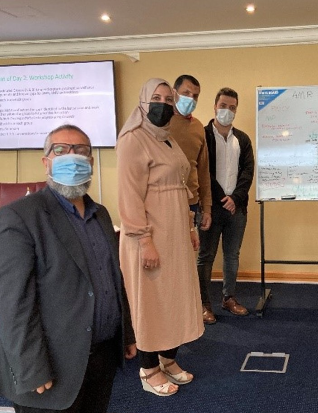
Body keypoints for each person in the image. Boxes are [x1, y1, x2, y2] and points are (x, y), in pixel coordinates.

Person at [0, 124, 137, 413]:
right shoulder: (17, 217)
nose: (72, 156)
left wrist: (126, 333)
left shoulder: (100, 214)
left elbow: (113, 279)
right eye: (61, 150)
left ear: (91, 162)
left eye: (81, 151)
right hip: (49, 366)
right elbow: (12, 303)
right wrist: (31, 366)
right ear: (46, 162)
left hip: (100, 357)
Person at [116, 78, 204, 397]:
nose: (163, 104)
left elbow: (181, 186)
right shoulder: (132, 140)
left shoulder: (167, 139)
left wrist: (189, 228)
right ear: (142, 102)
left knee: (174, 297)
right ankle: (148, 368)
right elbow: (129, 197)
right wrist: (144, 241)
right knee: (151, 302)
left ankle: (168, 359)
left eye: (169, 99)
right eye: (156, 97)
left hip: (175, 234)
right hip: (148, 238)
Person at [197, 87, 255, 324]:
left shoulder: (242, 139)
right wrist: (223, 198)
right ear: (214, 106)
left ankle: (228, 298)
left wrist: (236, 199)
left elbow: (248, 171)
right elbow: (202, 172)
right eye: (223, 106)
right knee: (205, 256)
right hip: (210, 208)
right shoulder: (202, 136)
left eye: (232, 108)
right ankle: (203, 304)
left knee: (232, 256)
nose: (227, 111)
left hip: (236, 209)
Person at [169, 74, 212, 231]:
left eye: (195, 96)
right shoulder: (160, 124)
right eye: (186, 93)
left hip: (191, 203)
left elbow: (203, 170)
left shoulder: (198, 127)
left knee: (187, 253)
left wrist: (207, 208)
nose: (191, 99)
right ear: (174, 93)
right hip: (164, 202)